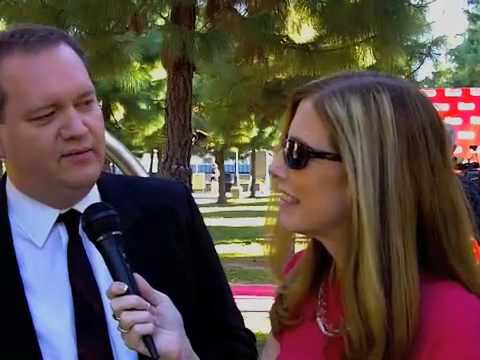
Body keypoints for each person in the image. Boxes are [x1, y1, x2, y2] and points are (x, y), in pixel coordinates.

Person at [0, 24, 257, 359]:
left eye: (86, 103)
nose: (79, 128)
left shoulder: (166, 210)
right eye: (45, 115)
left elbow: (231, 347)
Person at [261, 72, 480, 359]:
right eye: (284, 146)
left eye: (296, 152)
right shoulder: (302, 282)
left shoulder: (458, 325)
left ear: (370, 174)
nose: (275, 168)